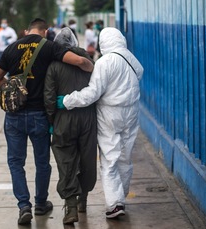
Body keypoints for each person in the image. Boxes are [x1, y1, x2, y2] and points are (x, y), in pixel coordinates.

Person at [0, 18, 94, 225]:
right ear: (45, 32)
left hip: (14, 116)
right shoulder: (49, 46)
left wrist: (13, 87)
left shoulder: (11, 48)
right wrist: (91, 65)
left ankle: (23, 206)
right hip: (38, 115)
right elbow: (79, 61)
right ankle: (40, 203)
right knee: (42, 163)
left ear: (27, 31)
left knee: (15, 162)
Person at [56, 27, 144, 219]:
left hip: (110, 113)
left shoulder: (104, 62)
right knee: (125, 157)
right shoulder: (131, 58)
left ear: (103, 42)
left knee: (109, 158)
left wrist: (67, 101)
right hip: (131, 112)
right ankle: (121, 198)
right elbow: (139, 73)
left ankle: (114, 203)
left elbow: (92, 93)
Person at [43, 27, 97, 224]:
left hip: (63, 119)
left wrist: (51, 121)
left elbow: (49, 98)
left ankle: (71, 207)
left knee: (66, 161)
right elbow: (98, 89)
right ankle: (83, 199)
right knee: (87, 159)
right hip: (88, 118)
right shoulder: (90, 62)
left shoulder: (53, 66)